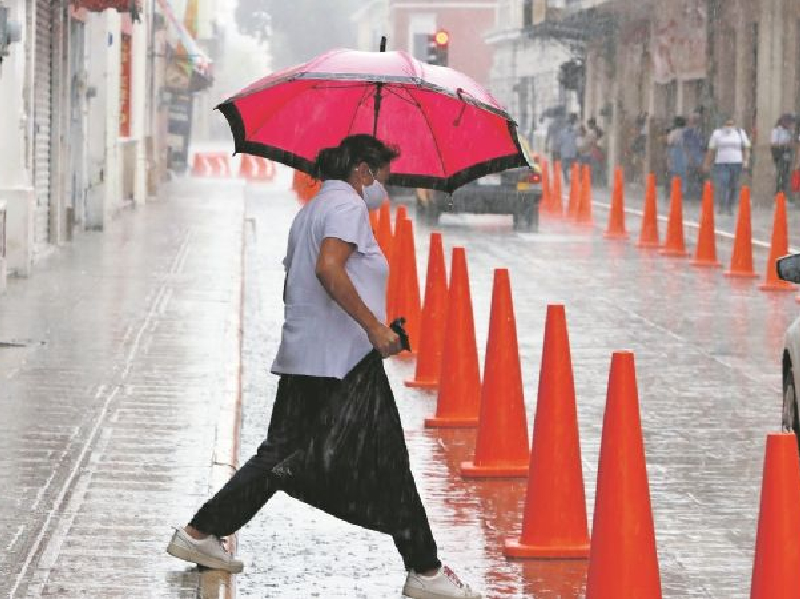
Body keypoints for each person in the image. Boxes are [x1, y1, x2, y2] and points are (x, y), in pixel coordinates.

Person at [165, 134, 481, 600]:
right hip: (343, 363)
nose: (386, 184)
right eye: (382, 173)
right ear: (363, 170)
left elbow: (302, 275)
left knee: (279, 456)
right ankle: (425, 570)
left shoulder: (311, 209)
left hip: (308, 357)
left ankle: (200, 532)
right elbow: (329, 269)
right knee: (387, 461)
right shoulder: (346, 207)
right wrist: (375, 330)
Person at [704, 116, 751, 215]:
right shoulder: (717, 134)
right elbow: (712, 149)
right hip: (721, 163)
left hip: (736, 162)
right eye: (727, 124)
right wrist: (707, 163)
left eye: (731, 125)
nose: (729, 127)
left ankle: (730, 206)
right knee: (723, 183)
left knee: (733, 185)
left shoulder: (740, 133)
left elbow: (746, 147)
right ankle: (722, 205)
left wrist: (746, 160)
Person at [684, 111, 706, 201]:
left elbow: (704, 146)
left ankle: (698, 195)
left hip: (699, 157)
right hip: (691, 157)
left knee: (699, 177)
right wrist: (689, 156)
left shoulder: (702, 132)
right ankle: (690, 195)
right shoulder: (687, 132)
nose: (695, 122)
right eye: (694, 120)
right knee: (691, 176)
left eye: (697, 120)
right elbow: (685, 145)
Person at [771, 114, 795, 196]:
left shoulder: (789, 131)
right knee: (780, 172)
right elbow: (774, 143)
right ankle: (778, 190)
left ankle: (785, 190)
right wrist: (784, 144)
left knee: (786, 172)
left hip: (787, 153)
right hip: (779, 153)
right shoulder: (777, 130)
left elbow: (792, 141)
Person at [666, 116, 688, 196]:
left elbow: (669, 143)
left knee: (674, 172)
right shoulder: (686, 131)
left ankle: (674, 189)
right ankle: (683, 190)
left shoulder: (674, 132)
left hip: (675, 152)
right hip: (684, 152)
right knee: (683, 172)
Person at [556, 116, 578, 183]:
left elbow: (577, 141)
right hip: (565, 153)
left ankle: (572, 179)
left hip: (573, 153)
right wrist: (558, 151)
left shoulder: (575, 132)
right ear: (566, 124)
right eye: (568, 123)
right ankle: (566, 179)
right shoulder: (562, 133)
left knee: (572, 168)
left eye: (571, 124)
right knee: (564, 168)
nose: (570, 125)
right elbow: (559, 143)